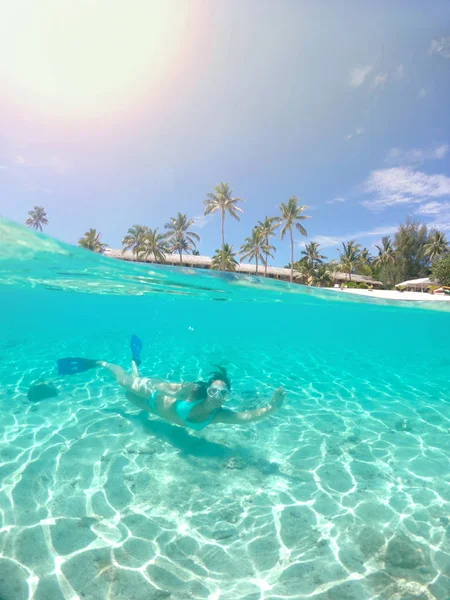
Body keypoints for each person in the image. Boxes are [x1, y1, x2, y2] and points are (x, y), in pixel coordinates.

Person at [57, 335, 285, 430]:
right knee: (125, 383)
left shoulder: (219, 415)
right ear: (208, 390)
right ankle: (100, 362)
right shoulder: (192, 391)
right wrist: (177, 394)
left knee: (128, 400)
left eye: (223, 394)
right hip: (153, 395)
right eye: (215, 391)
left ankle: (136, 361)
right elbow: (161, 388)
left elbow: (246, 418)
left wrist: (273, 407)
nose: (218, 398)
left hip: (152, 410)